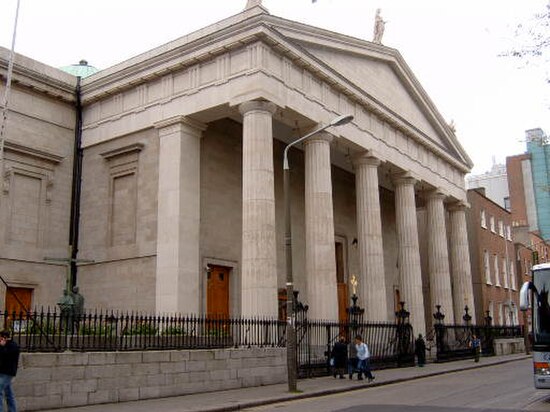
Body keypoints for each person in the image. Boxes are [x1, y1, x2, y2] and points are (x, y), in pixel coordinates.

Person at [0, 330, 20, 412]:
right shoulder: (3, 345)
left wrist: (2, 346)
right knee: (9, 393)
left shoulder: (13, 346)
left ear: (5, 337)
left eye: (1, 337)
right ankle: (12, 410)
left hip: (8, 373)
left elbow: (6, 355)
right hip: (2, 372)